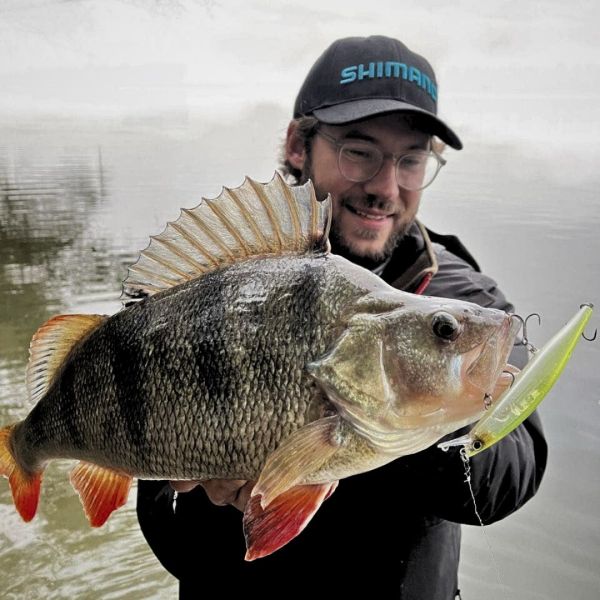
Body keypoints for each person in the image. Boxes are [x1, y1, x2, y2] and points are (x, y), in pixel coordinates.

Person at [136, 35, 547, 599]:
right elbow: (162, 521)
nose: (385, 187)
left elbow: (516, 473)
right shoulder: (210, 283)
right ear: (298, 145)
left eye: (411, 159)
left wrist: (420, 406)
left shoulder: (464, 299)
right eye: (359, 151)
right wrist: (203, 496)